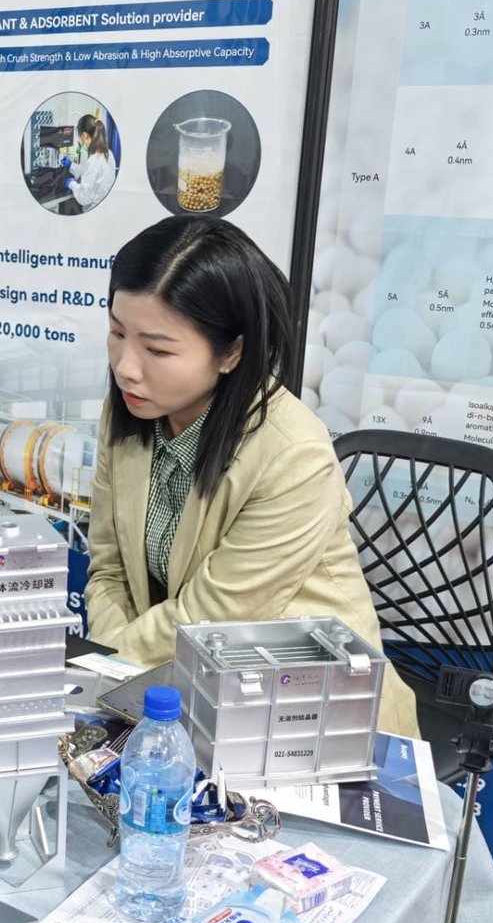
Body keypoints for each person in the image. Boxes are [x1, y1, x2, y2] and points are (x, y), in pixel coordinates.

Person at [84, 217, 418, 736]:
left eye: (158, 349)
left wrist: (99, 674)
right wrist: (107, 665)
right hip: (174, 695)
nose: (126, 366)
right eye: (116, 333)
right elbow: (108, 569)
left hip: (304, 714)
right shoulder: (130, 411)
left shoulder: (293, 456)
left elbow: (211, 618)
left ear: (232, 352)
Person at [62, 115, 117, 212]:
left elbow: (84, 197)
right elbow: (93, 175)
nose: (80, 142)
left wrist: (71, 184)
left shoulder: (93, 160)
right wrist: (72, 166)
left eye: (79, 137)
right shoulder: (108, 153)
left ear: (84, 136)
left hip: (94, 211)